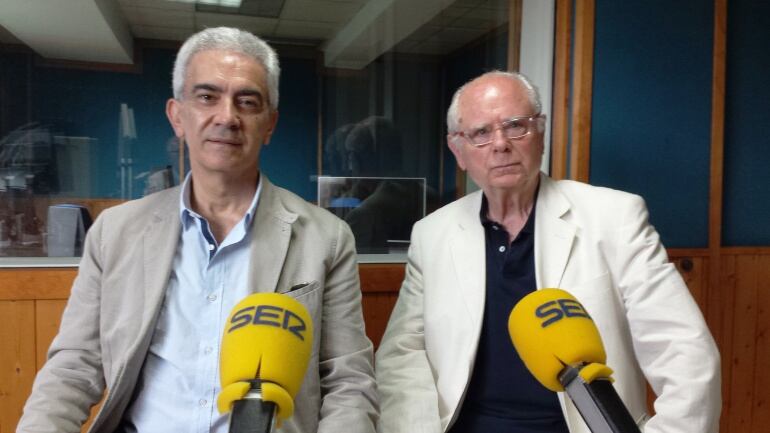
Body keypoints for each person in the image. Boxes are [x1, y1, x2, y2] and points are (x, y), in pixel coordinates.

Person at [18, 27, 378, 433]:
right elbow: (75, 365)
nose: (227, 116)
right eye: (207, 97)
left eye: (247, 101)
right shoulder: (115, 232)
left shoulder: (325, 237)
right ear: (177, 115)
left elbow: (348, 380)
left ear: (270, 124)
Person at [375, 71, 720, 433]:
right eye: (480, 133)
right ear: (458, 151)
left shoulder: (614, 217)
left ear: (540, 133)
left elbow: (686, 352)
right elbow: (402, 354)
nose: (500, 144)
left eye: (515, 126)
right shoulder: (432, 234)